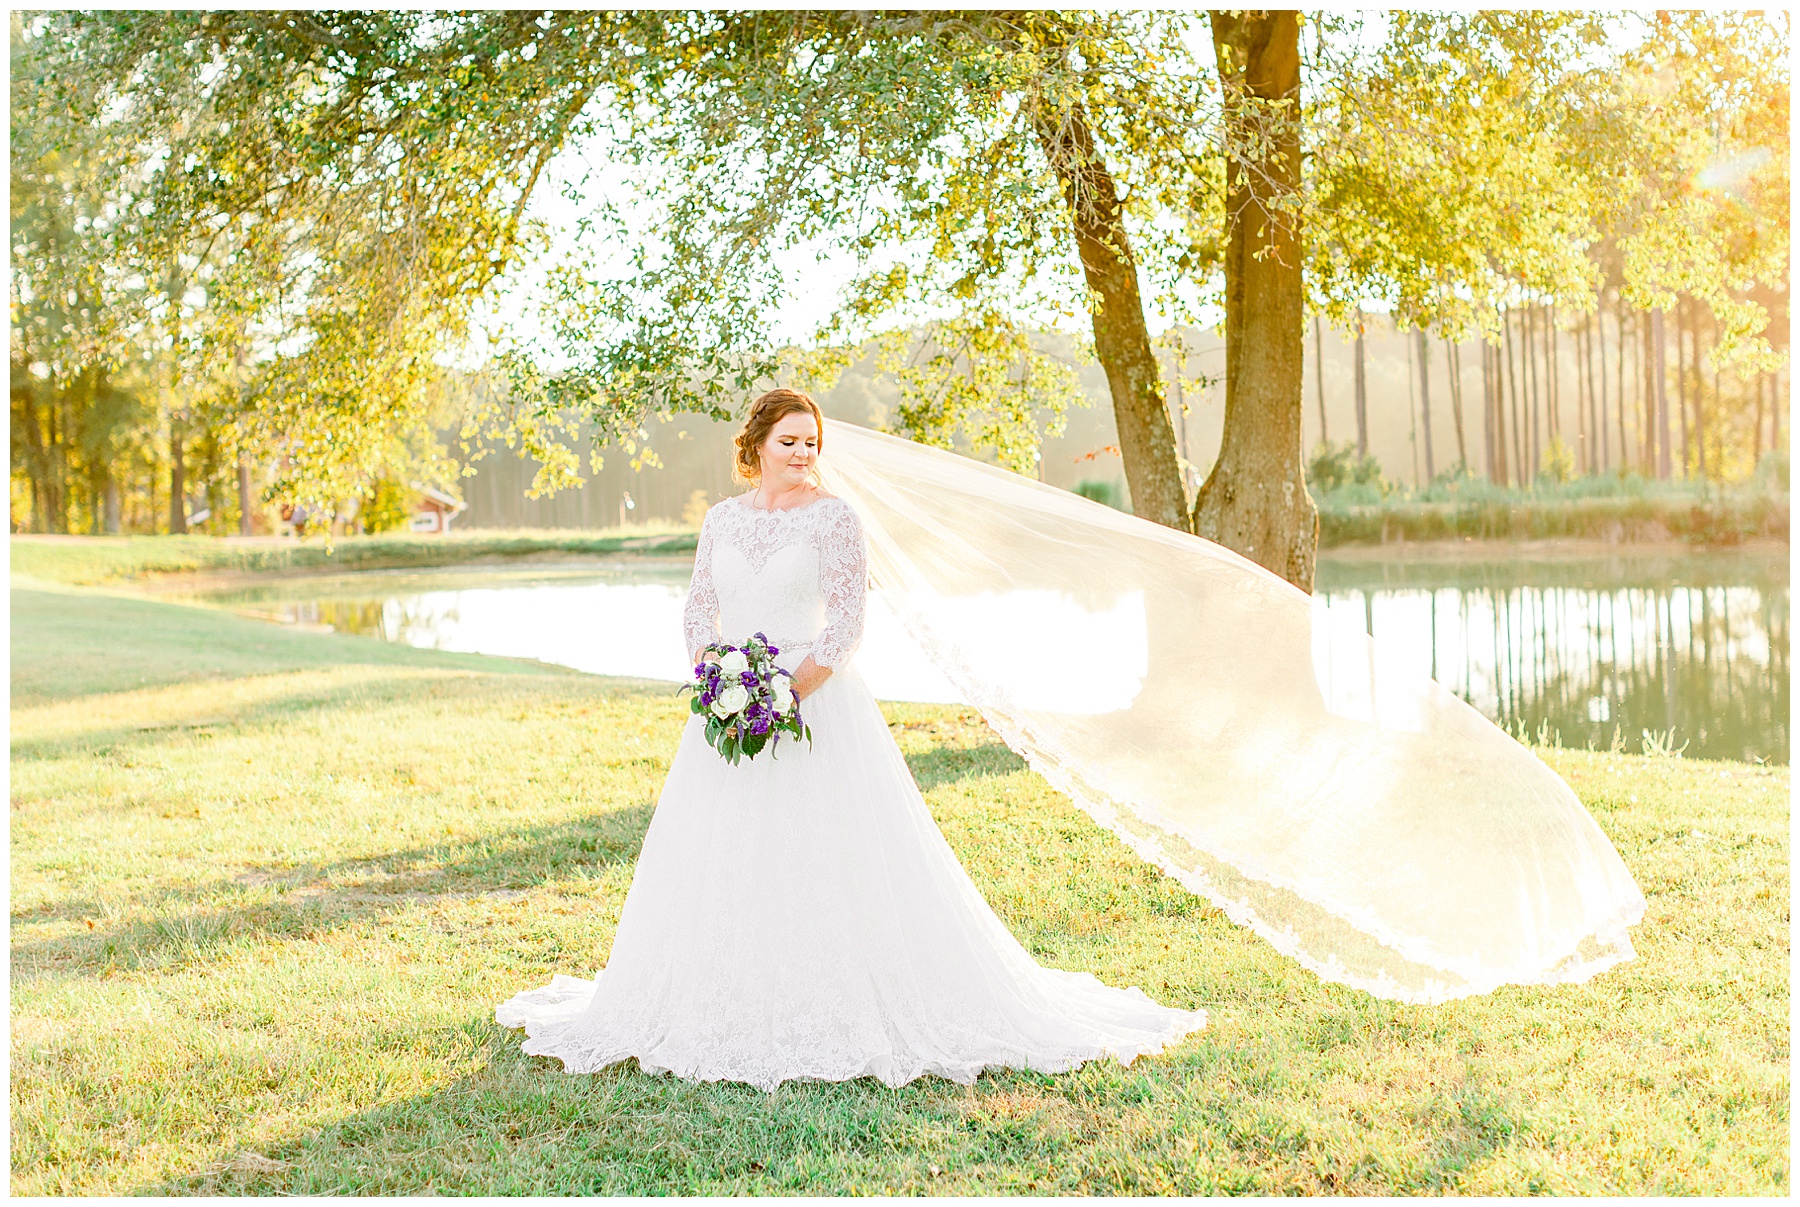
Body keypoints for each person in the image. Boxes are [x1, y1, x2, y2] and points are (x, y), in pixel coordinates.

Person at [496, 388, 1207, 1091]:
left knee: (826, 851)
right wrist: (716, 678)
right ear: (757, 447)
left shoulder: (836, 519)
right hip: (726, 712)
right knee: (724, 855)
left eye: (812, 442)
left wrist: (784, 693)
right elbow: (698, 607)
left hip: (814, 705)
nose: (804, 453)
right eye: (790, 441)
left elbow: (846, 622)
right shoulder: (719, 520)